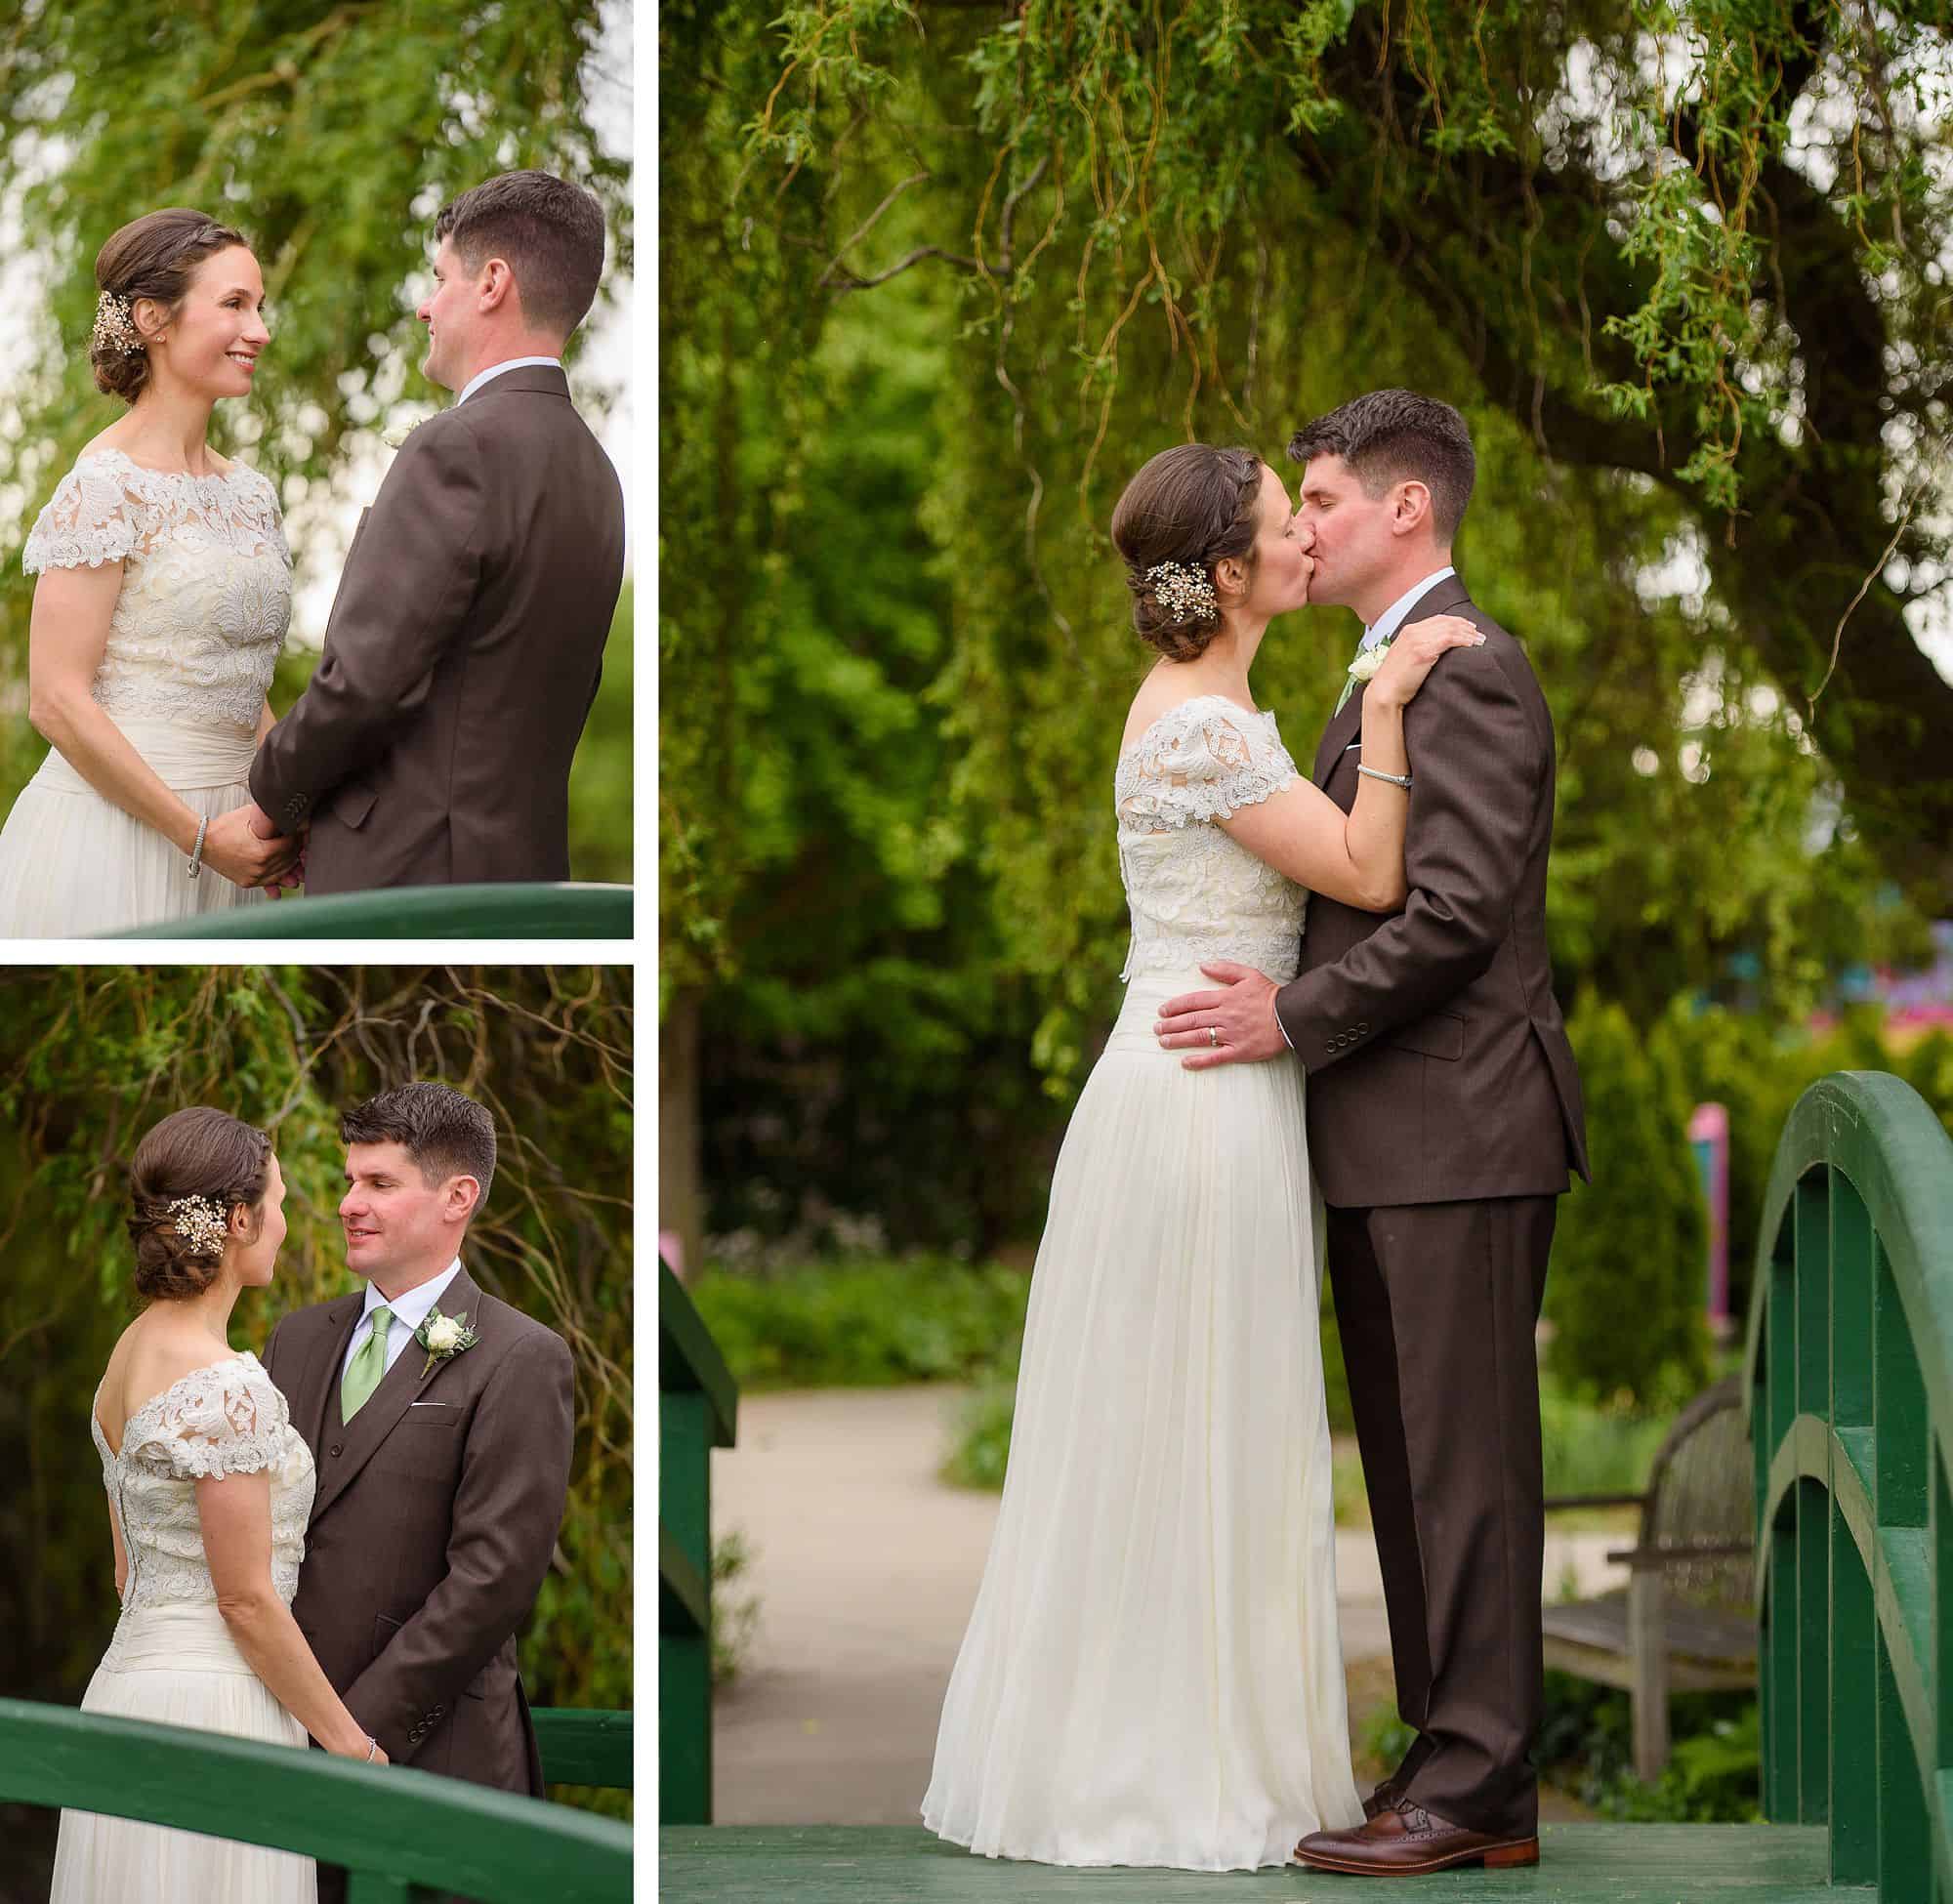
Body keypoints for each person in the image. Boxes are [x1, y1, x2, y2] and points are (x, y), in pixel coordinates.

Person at [921, 441, 1482, 1871]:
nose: (1306, 543)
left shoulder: (1218, 705)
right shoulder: (1206, 728)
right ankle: (1158, 1773)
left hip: (1207, 1084)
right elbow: (1364, 872)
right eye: (1288, 528)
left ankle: (1165, 1742)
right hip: (1197, 1103)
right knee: (1190, 1424)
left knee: (1192, 1423)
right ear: (1229, 572)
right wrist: (1397, 699)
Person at [1153, 392, 1590, 1876]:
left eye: (1326, 499)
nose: (1306, 524)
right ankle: (1450, 1755)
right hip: (1391, 1138)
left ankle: (1480, 1781)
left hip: (1460, 1128)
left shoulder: (1470, 671)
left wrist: (1291, 1017)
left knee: (1464, 1466)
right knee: (1412, 1468)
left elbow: (1458, 915)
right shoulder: (1378, 681)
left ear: (1409, 510)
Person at [246, 170, 627, 892]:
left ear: (491, 283)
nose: (425, 306)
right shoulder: (598, 476)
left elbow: (363, 682)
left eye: (438, 278)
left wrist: (271, 803)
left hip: (409, 875)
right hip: (526, 878)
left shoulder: (458, 447)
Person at [54, 1109, 383, 1904]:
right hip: (216, 1707)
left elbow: (130, 1571)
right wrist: (351, 1748)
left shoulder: (126, 1354)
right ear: (238, 1221)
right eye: (279, 1202)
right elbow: (242, 1596)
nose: (285, 1221)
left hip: (126, 1694)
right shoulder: (225, 1387)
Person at [261, 1082, 574, 1904]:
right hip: (279, 1741)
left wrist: (352, 1731)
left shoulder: (520, 1357)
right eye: (348, 1181)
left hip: (440, 1756)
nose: (349, 1204)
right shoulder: (294, 1339)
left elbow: (495, 1577)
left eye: (379, 1184)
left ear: (457, 1197)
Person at [0, 211, 304, 935]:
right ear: (153, 319)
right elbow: (57, 701)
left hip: (239, 834)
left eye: (259, 306)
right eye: (234, 304)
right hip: (120, 836)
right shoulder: (104, 486)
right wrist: (196, 837)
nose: (259, 330)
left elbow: (233, 680)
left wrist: (289, 801)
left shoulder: (253, 493)